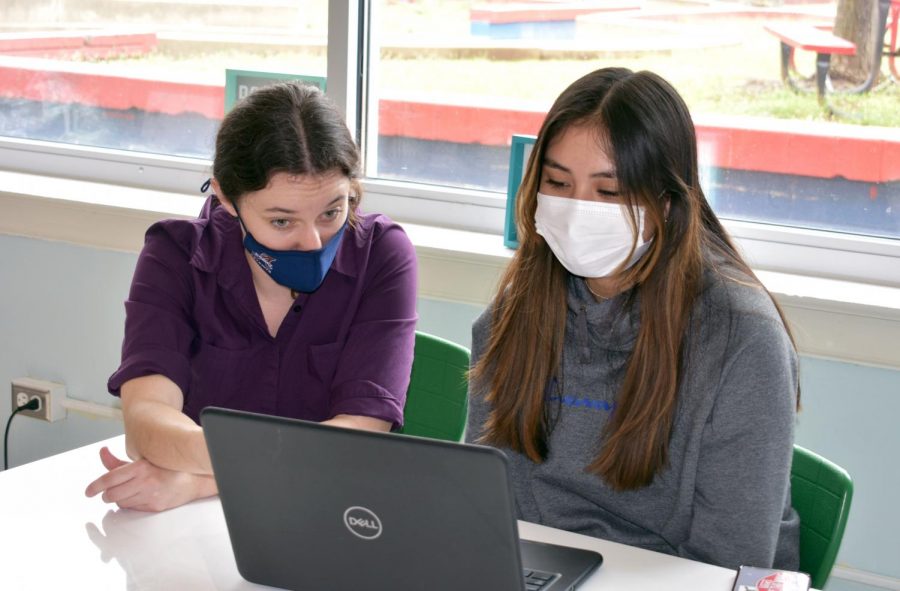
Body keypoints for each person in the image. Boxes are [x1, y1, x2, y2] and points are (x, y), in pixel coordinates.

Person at [466, 67, 800, 570]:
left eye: (608, 192)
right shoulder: (517, 308)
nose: (576, 211)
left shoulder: (743, 340)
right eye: (557, 182)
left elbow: (728, 560)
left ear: (666, 201)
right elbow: (483, 500)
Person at [85, 82, 418, 512]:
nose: (312, 240)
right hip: (195, 530)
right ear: (226, 197)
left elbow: (358, 435)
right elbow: (147, 422)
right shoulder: (175, 255)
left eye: (332, 211)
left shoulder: (382, 255)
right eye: (282, 221)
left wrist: (197, 481)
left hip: (329, 512)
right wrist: (255, 463)